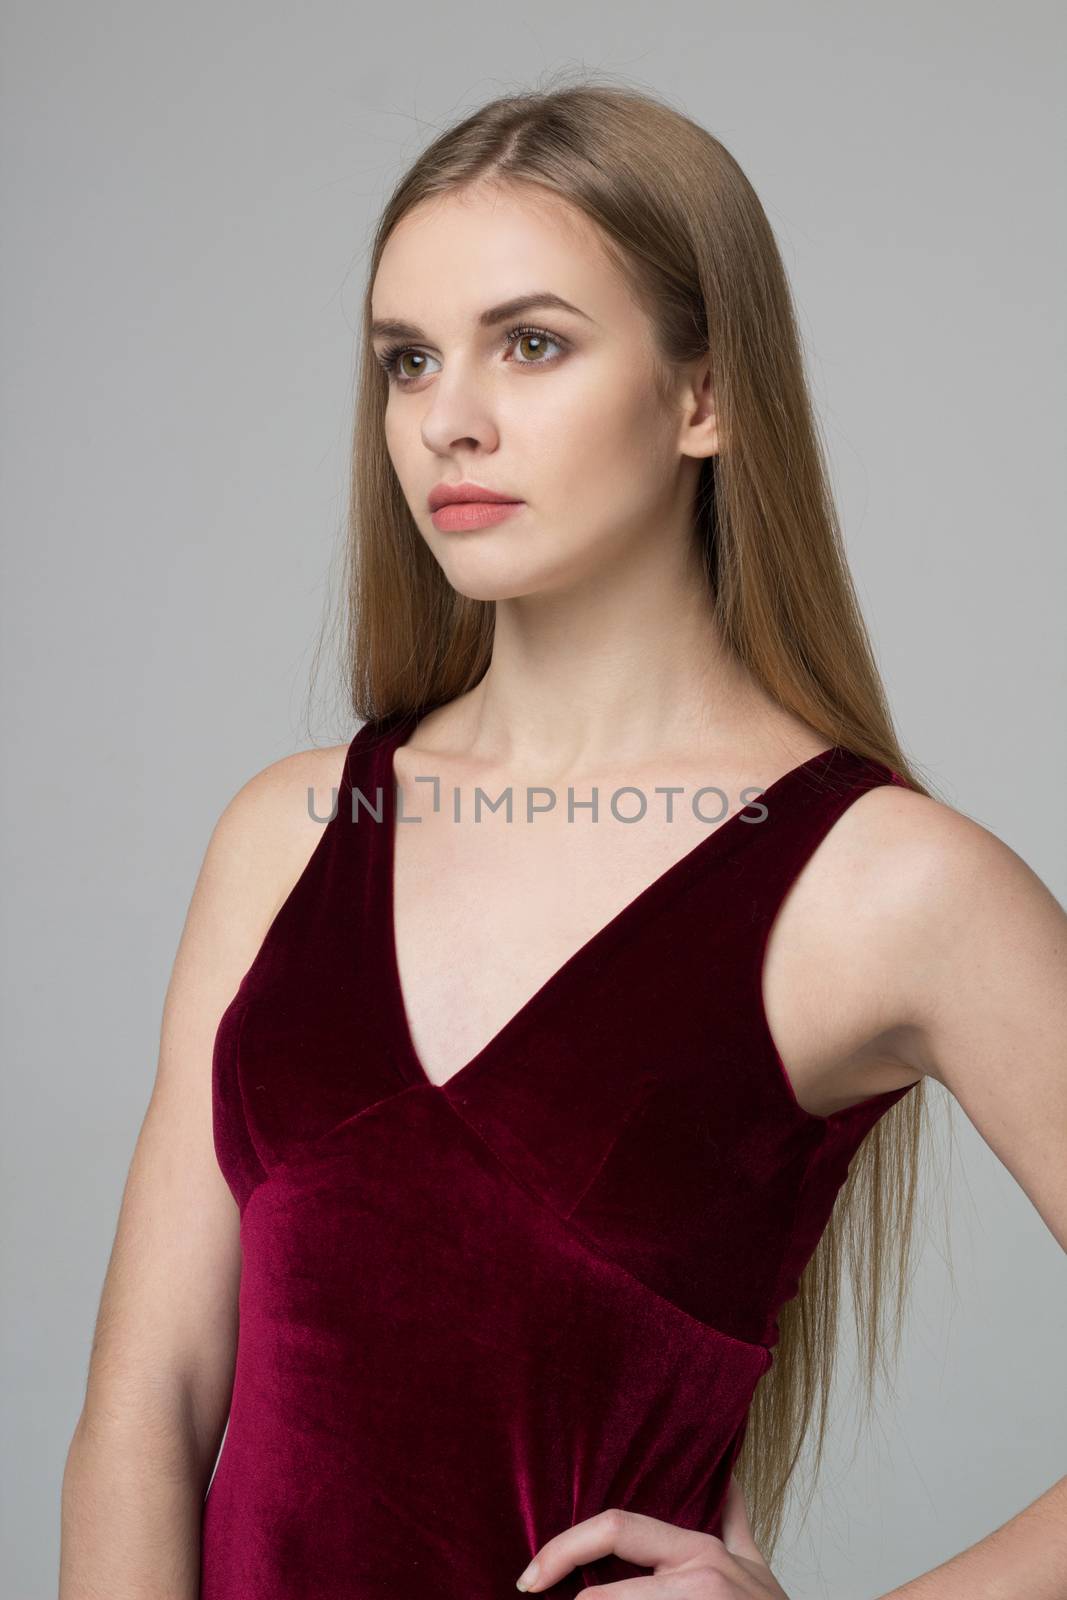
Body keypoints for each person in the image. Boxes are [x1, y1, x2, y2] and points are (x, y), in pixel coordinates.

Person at [59, 79, 1067, 1600]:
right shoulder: (290, 832)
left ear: (703, 396)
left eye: (530, 343)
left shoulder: (887, 885)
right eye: (408, 360)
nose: (446, 416)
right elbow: (148, 1407)